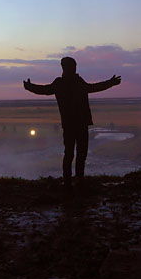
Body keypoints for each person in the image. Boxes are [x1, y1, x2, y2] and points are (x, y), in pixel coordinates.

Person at [23, 57, 121, 189]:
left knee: (72, 153)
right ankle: (75, 180)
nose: (74, 68)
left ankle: (70, 180)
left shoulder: (63, 83)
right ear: (68, 67)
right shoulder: (74, 82)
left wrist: (30, 87)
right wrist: (110, 83)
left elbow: (44, 90)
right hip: (78, 124)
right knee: (78, 153)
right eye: (73, 66)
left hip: (71, 124)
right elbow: (94, 87)